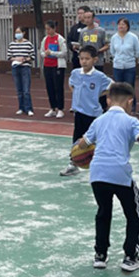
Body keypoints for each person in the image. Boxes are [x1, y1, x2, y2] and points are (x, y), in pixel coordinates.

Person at [77, 82, 139, 271]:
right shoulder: (131, 121)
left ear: (108, 100)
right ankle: (130, 257)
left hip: (97, 174)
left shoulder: (98, 120)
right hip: (120, 174)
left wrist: (79, 153)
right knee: (134, 216)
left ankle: (100, 255)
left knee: (103, 213)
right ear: (130, 102)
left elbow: (83, 145)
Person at [60, 45, 112, 177]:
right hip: (79, 113)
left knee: (96, 142)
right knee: (77, 139)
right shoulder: (75, 73)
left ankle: (102, 167)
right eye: (81, 58)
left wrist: (97, 94)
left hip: (93, 115)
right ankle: (73, 164)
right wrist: (78, 96)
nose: (84, 61)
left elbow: (112, 86)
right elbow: (71, 85)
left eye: (87, 59)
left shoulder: (99, 76)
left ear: (95, 59)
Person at [78, 10, 110, 112]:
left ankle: (103, 106)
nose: (87, 19)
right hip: (86, 65)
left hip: (98, 62)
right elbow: (81, 45)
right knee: (87, 85)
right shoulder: (83, 32)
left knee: (99, 84)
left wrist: (98, 51)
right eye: (85, 17)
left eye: (89, 17)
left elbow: (107, 45)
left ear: (93, 18)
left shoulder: (100, 31)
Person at [109, 17, 139, 113]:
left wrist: (130, 58)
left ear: (127, 26)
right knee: (118, 87)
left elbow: (138, 52)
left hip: (129, 66)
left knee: (129, 87)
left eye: (124, 24)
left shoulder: (133, 37)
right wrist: (119, 58)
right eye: (119, 24)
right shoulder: (114, 37)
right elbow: (112, 51)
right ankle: (119, 107)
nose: (121, 26)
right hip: (117, 66)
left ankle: (132, 107)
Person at [40, 20, 68, 119]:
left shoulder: (60, 39)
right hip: (47, 65)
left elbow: (64, 52)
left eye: (49, 29)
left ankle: (60, 109)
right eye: (46, 29)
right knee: (49, 87)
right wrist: (45, 54)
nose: (47, 31)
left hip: (57, 66)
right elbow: (42, 51)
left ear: (54, 28)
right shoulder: (45, 39)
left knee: (58, 87)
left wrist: (52, 53)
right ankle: (53, 108)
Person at [7, 26, 35, 116]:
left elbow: (32, 56)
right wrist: (15, 58)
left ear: (23, 33)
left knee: (26, 90)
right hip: (15, 67)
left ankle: (29, 108)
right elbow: (9, 56)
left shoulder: (28, 44)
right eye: (16, 32)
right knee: (19, 89)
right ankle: (21, 107)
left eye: (19, 32)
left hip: (25, 67)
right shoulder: (12, 44)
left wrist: (24, 59)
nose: (17, 34)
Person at [67, 5, 90, 71]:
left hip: (89, 57)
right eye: (78, 13)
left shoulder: (91, 27)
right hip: (77, 57)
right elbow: (69, 40)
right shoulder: (74, 28)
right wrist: (72, 47)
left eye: (81, 13)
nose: (79, 15)